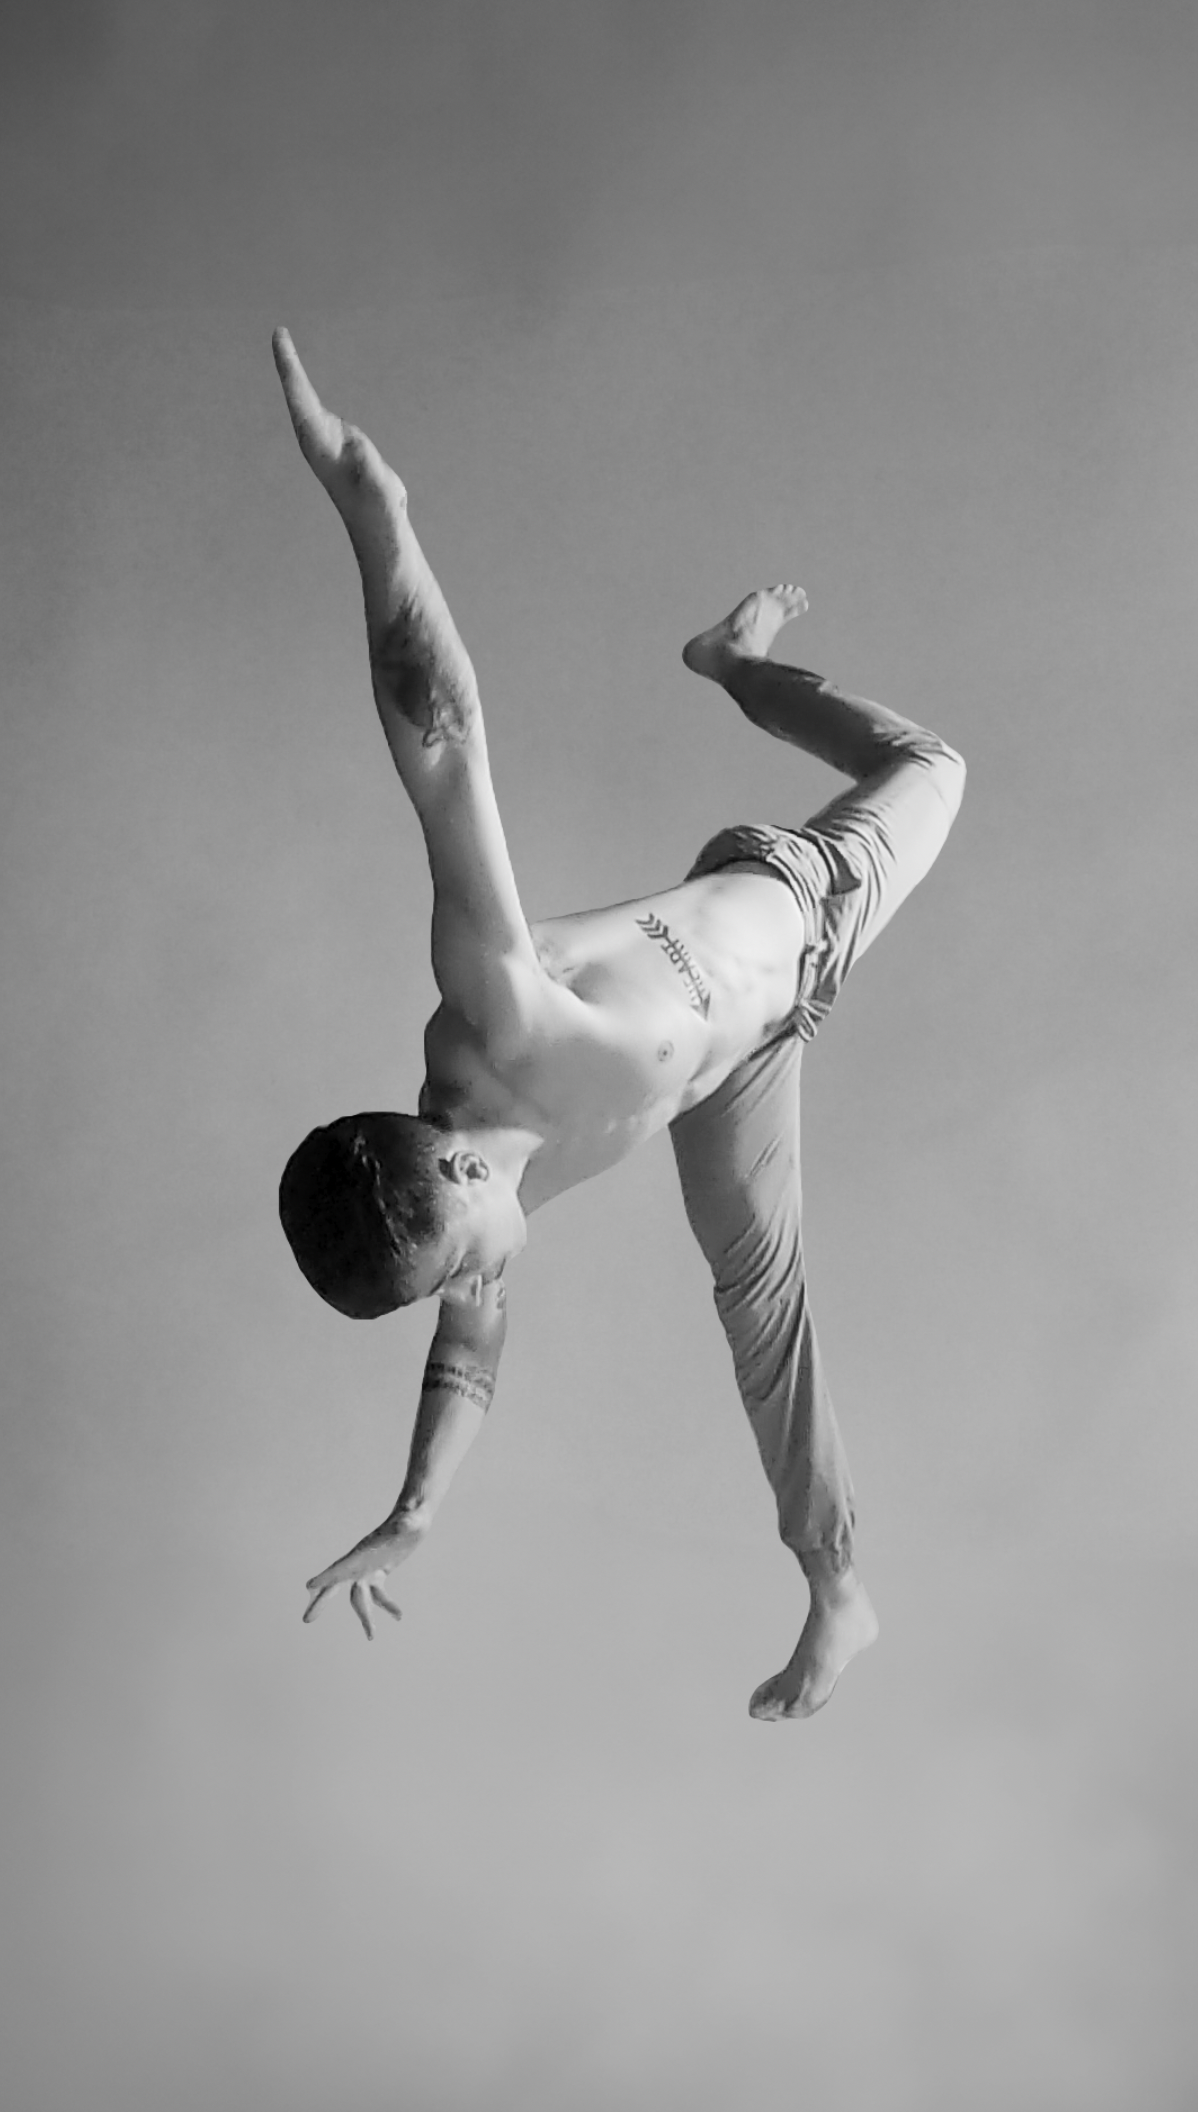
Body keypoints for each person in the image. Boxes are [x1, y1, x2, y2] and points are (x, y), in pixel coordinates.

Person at [272, 328, 966, 1719]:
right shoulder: (464, 1207)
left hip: (793, 895)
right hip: (737, 1062)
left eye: (467, 1262)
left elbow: (446, 743)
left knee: (928, 765)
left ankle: (733, 662)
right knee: (762, 1302)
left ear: (457, 1169)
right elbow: (464, 1357)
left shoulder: (494, 1019)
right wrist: (416, 1508)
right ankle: (837, 1587)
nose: (486, 1289)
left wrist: (377, 521)